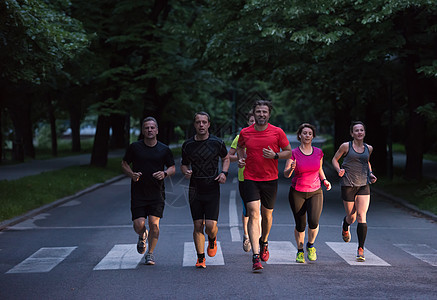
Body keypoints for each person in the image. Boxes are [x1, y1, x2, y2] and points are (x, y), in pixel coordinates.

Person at [237, 100, 291, 272]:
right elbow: (239, 148)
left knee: (267, 216)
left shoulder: (277, 132)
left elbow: (289, 152)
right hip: (250, 178)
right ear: (254, 113)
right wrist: (241, 159)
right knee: (253, 214)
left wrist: (275, 155)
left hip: (270, 179)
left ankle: (264, 241)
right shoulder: (245, 132)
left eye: (264, 112)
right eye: (258, 111)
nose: (261, 114)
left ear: (269, 114)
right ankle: (255, 256)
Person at [121, 117, 175, 265]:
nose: (149, 130)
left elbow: (172, 167)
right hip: (138, 192)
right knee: (139, 225)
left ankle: (150, 253)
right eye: (146, 128)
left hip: (157, 193)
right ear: (143, 130)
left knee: (154, 224)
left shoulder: (164, 149)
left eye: (152, 127)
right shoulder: (135, 147)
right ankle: (142, 234)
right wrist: (131, 174)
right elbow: (124, 163)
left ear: (157, 130)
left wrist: (164, 173)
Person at [181, 112, 230, 268]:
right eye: (198, 122)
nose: (201, 125)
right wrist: (185, 171)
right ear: (194, 125)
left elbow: (226, 157)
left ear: (209, 124)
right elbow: (184, 164)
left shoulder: (217, 142)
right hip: (195, 189)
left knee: (210, 226)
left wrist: (224, 172)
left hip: (212, 188)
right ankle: (200, 258)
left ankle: (212, 239)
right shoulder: (188, 145)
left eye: (204, 122)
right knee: (197, 225)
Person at [283, 123, 331, 263]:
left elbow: (319, 169)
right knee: (300, 224)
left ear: (313, 136)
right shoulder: (293, 153)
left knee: (314, 221)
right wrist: (291, 168)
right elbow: (286, 174)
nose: (307, 136)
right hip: (297, 192)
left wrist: (325, 180)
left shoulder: (318, 152)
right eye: (304, 133)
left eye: (310, 133)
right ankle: (299, 250)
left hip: (315, 191)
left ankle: (310, 245)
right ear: (300, 135)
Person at [331, 121, 377, 262]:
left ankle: (360, 249)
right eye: (356, 130)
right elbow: (334, 159)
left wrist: (371, 173)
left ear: (364, 132)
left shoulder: (368, 148)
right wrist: (339, 170)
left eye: (361, 130)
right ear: (352, 133)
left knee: (361, 216)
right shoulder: (346, 146)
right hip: (348, 184)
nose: (359, 132)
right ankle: (345, 225)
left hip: (363, 184)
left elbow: (366, 162)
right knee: (351, 217)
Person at [229, 112, 256, 252]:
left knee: (260, 211)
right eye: (251, 120)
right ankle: (246, 235)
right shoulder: (240, 137)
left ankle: (258, 237)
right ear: (248, 122)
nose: (253, 123)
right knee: (248, 210)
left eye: (255, 120)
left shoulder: (265, 137)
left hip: (262, 177)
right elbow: (229, 156)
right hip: (244, 178)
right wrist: (239, 159)